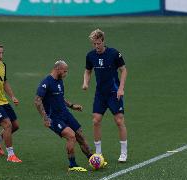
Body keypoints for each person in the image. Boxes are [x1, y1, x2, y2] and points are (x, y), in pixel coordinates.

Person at [34, 60, 93, 172]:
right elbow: (37, 101)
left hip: (65, 113)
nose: (66, 73)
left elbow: (60, 97)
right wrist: (45, 118)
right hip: (54, 118)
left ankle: (92, 158)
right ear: (58, 69)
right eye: (65, 71)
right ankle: (72, 165)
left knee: (79, 134)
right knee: (71, 136)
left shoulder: (59, 81)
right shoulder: (46, 82)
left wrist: (72, 105)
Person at [82, 29, 128, 162]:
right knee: (96, 120)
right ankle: (98, 153)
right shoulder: (90, 56)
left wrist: (121, 88)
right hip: (100, 94)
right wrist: (85, 82)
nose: (96, 46)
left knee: (119, 121)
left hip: (114, 92)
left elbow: (124, 70)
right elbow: (87, 71)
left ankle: (123, 153)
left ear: (103, 41)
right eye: (94, 44)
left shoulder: (114, 53)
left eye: (98, 43)